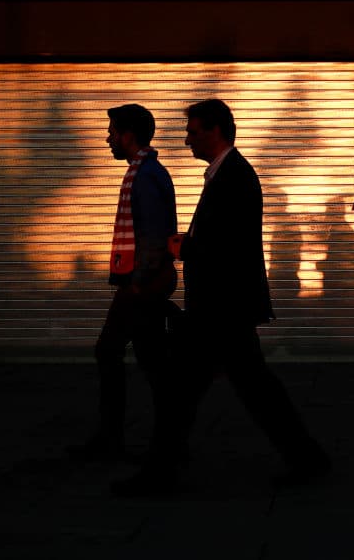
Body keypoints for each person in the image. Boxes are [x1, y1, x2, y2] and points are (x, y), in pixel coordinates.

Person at [111, 98, 329, 496]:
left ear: (215, 131)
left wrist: (184, 249)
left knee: (192, 390)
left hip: (222, 308)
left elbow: (230, 245)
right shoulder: (226, 173)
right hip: (225, 308)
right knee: (241, 387)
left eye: (193, 131)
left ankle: (159, 473)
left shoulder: (235, 177)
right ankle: (307, 458)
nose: (187, 139)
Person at [68, 104, 177, 461]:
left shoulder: (145, 176)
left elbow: (152, 234)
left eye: (113, 132)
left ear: (129, 135)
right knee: (154, 361)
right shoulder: (146, 171)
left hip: (140, 284)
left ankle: (111, 439)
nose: (108, 138)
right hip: (145, 282)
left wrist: (138, 282)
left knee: (108, 350)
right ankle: (171, 438)